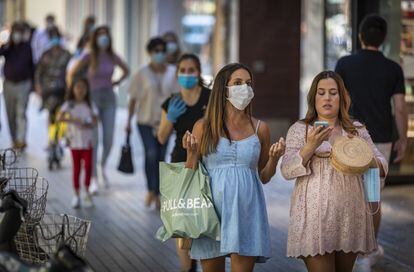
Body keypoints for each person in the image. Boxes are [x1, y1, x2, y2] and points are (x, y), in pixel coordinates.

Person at [280, 71, 388, 272]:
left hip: (350, 217)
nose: (327, 98)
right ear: (314, 97)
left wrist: (361, 156)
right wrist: (310, 146)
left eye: (333, 92)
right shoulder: (301, 129)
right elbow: (286, 170)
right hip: (314, 219)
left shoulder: (355, 129)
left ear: (342, 98)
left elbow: (381, 164)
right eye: (321, 93)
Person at [183, 63, 285, 272]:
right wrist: (192, 154)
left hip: (247, 210)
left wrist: (274, 159)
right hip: (210, 212)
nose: (244, 88)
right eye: (237, 83)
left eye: (248, 83)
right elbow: (190, 175)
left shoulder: (260, 129)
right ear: (224, 89)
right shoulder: (203, 127)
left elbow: (264, 176)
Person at [335, 14, 408, 270]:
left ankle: (346, 247)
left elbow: (336, 100)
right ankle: (368, 250)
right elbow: (399, 108)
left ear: (360, 36)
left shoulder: (344, 64)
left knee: (347, 195)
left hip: (348, 140)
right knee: (372, 197)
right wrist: (403, 139)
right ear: (384, 39)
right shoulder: (393, 68)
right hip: (380, 141)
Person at [157, 53, 211, 272]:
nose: (187, 74)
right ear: (177, 73)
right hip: (179, 165)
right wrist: (169, 118)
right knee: (181, 221)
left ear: (198, 73)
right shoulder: (172, 101)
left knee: (203, 217)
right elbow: (161, 137)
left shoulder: (210, 98)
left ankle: (201, 258)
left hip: (207, 163)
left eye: (191, 70)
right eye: (183, 70)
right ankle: (187, 267)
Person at [69, 25, 129, 193]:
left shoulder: (112, 55)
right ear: (95, 38)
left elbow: (127, 70)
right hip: (93, 99)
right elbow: (72, 72)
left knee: (108, 139)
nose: (104, 38)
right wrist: (76, 93)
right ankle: (94, 177)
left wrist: (116, 82)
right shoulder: (89, 55)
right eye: (100, 35)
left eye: (106, 35)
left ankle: (102, 166)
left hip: (109, 98)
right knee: (93, 141)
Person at [126, 37, 178, 209]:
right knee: (151, 153)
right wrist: (128, 121)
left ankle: (159, 194)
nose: (160, 54)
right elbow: (133, 99)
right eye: (156, 51)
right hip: (145, 122)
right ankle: (151, 189)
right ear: (149, 53)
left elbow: (179, 97)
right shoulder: (141, 73)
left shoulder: (173, 71)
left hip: (167, 122)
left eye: (162, 51)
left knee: (162, 157)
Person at [57, 78, 97, 209]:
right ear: (73, 89)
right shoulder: (69, 104)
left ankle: (87, 193)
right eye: (78, 87)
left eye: (83, 88)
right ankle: (76, 194)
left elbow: (95, 120)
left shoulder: (89, 104)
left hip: (87, 142)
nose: (80, 90)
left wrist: (88, 123)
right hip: (74, 142)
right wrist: (73, 119)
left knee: (89, 167)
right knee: (76, 169)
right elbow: (59, 117)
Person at [0, 22, 34, 150]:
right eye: (16, 31)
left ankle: (21, 139)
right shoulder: (8, 47)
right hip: (8, 84)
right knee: (10, 114)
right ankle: (14, 139)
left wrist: (33, 84)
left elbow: (32, 65)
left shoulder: (27, 47)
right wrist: (8, 44)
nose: (18, 35)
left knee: (21, 112)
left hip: (23, 84)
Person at [35, 26, 71, 128]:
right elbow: (39, 72)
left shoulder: (66, 54)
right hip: (49, 89)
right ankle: (52, 138)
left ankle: (60, 137)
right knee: (51, 112)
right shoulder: (45, 54)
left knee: (63, 111)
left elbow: (72, 70)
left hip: (63, 88)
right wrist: (38, 86)